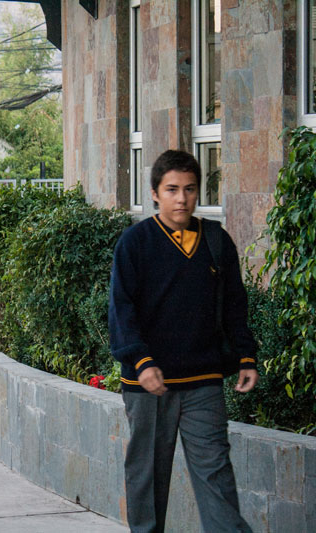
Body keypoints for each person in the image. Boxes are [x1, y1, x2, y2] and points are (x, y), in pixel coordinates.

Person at [108, 149, 259, 533]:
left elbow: (235, 305)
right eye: (172, 189)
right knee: (147, 476)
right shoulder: (135, 243)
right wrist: (140, 361)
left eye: (189, 189)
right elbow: (121, 309)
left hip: (203, 380)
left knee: (216, 475)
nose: (182, 198)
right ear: (155, 194)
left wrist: (245, 356)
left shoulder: (215, 241)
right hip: (148, 385)